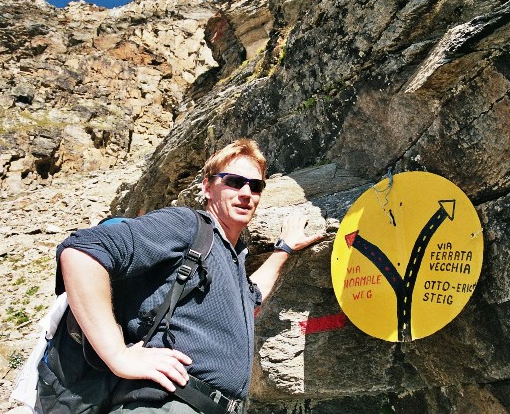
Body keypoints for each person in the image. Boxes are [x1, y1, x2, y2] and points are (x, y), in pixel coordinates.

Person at [48, 138, 323, 413]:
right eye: (234, 182)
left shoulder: (231, 254)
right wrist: (118, 356)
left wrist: (283, 250)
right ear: (207, 187)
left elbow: (252, 297)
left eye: (256, 185)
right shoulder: (187, 225)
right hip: (167, 404)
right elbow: (81, 252)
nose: (246, 192)